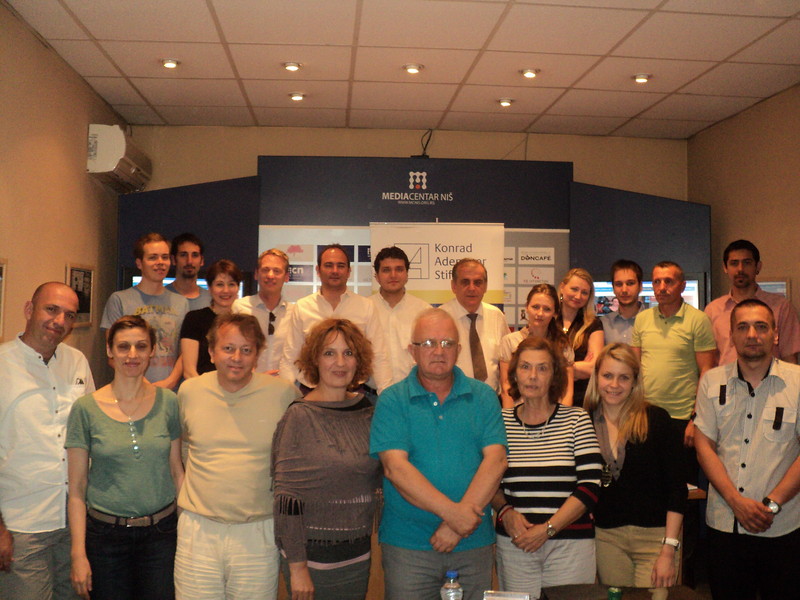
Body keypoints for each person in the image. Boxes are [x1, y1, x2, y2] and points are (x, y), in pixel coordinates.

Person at [370, 308, 507, 600]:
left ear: (459, 350)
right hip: (408, 547)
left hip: (473, 543)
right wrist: (454, 516)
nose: (438, 351)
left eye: (447, 343)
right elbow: (395, 469)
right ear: (412, 351)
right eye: (428, 343)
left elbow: (496, 461)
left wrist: (457, 527)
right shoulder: (392, 400)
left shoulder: (484, 396)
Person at [175, 313, 296, 600]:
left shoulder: (283, 394)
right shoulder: (189, 392)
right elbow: (181, 451)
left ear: (257, 354)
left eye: (246, 349)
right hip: (198, 530)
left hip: (258, 531)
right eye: (228, 348)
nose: (237, 358)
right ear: (211, 352)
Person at [66, 316, 183, 600]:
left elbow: (177, 472)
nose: (132, 355)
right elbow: (77, 489)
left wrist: (188, 534)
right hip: (105, 539)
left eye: (141, 346)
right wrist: (78, 554)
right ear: (110, 350)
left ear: (152, 350)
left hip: (161, 536)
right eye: (123, 346)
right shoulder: (85, 409)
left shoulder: (169, 402)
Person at [694, 299, 800, 600]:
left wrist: (773, 504)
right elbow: (704, 445)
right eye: (742, 327)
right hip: (724, 525)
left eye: (761, 327)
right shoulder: (712, 381)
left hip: (783, 525)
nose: (752, 334)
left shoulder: (797, 382)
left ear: (775, 335)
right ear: (731, 335)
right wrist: (735, 502)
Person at [272, 319, 382, 600]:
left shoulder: (368, 411)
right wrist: (298, 568)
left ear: (359, 361)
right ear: (315, 360)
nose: (340, 363)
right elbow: (286, 499)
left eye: (348, 353)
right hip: (311, 563)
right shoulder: (299, 416)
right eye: (329, 353)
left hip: (358, 555)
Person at [0, 282, 95, 599]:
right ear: (29, 310)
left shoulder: (77, 362)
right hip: (21, 526)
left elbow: (92, 431)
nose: (59, 321)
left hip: (74, 524)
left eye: (69, 315)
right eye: (51, 309)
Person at [491, 336, 602, 599]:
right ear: (514, 375)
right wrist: (505, 512)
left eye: (542, 368)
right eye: (525, 367)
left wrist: (548, 529)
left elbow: (590, 486)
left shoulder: (576, 419)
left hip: (570, 545)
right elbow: (488, 482)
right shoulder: (499, 423)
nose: (533, 376)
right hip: (516, 543)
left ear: (554, 377)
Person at [585, 343, 686, 600]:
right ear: (596, 377)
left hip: (655, 539)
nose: (614, 384)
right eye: (608, 375)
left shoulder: (657, 419)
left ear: (635, 382)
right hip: (607, 539)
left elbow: (677, 489)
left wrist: (669, 549)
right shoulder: (583, 421)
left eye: (624, 377)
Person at [280, 244, 392, 395]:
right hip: (311, 394)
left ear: (349, 271)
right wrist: (284, 398)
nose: (335, 271)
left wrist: (387, 398)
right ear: (318, 270)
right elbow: (290, 358)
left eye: (340, 266)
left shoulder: (366, 307)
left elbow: (379, 356)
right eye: (328, 265)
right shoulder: (302, 307)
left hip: (354, 394)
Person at [631, 261, 716, 451]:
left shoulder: (698, 320)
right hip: (645, 414)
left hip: (682, 417)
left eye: (668, 281)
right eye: (656, 282)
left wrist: (696, 419)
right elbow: (634, 369)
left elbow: (707, 373)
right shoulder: (642, 319)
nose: (662, 287)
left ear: (682, 285)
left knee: (680, 471)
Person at [101, 232, 189, 389]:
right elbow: (112, 355)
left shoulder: (181, 303)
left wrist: (170, 382)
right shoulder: (119, 300)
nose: (160, 263)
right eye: (153, 257)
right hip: (132, 389)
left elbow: (185, 353)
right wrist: (146, 386)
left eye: (165, 257)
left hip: (171, 391)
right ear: (139, 263)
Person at [704, 239, 800, 365]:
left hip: (771, 377)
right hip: (726, 377)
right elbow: (708, 362)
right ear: (725, 267)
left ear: (758, 267)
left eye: (747, 263)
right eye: (734, 263)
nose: (740, 269)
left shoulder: (781, 307)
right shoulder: (712, 310)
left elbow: (790, 358)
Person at [499, 283, 574, 407]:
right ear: (527, 307)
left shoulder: (563, 345)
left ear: (555, 313)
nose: (540, 313)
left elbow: (567, 391)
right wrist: (509, 416)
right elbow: (506, 387)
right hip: (519, 412)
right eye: (535, 307)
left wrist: (562, 417)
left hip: (554, 413)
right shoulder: (510, 342)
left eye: (547, 309)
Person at [440, 258, 509, 394]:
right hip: (453, 399)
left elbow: (506, 363)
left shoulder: (497, 316)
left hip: (492, 399)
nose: (472, 288)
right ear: (454, 286)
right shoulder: (440, 318)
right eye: (465, 282)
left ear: (485, 286)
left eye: (478, 282)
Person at [369, 246, 431, 384]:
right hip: (372, 393)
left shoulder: (423, 311)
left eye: (399, 269)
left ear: (407, 274)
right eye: (386, 270)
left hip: (415, 391)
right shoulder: (364, 309)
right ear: (377, 276)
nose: (393, 275)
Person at [233, 248, 294, 374]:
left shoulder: (295, 313)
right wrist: (257, 379)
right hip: (248, 383)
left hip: (285, 384)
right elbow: (233, 350)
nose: (270, 275)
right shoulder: (240, 308)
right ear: (256, 274)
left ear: (286, 277)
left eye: (277, 271)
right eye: (265, 270)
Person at [180, 259, 242, 378]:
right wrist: (206, 389)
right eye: (219, 284)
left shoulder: (243, 323)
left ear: (237, 288)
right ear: (209, 287)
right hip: (200, 386)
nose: (226, 290)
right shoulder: (194, 319)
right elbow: (189, 371)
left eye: (231, 284)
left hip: (235, 387)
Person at [557, 268, 605, 408]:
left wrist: (555, 368)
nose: (578, 296)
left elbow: (593, 368)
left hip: (581, 400)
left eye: (584, 292)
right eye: (574, 289)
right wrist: (576, 368)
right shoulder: (549, 320)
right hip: (548, 397)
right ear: (562, 287)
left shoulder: (593, 324)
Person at [601, 260, 644, 345]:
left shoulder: (653, 322)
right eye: (619, 284)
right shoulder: (603, 323)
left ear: (640, 286)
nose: (624, 290)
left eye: (630, 283)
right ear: (613, 288)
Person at [166, 233, 211, 311]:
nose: (189, 261)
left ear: (202, 260)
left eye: (195, 255)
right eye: (183, 255)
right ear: (173, 260)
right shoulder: (161, 297)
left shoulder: (211, 300)